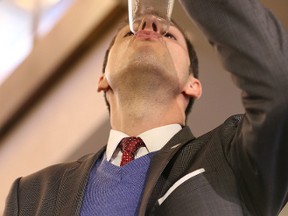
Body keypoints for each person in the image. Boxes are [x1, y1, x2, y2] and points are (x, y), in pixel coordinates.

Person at [4, 0, 288, 215]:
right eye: (129, 33)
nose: (148, 24)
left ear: (193, 84)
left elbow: (280, 85)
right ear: (103, 79)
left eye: (169, 35)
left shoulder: (233, 157)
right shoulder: (31, 195)